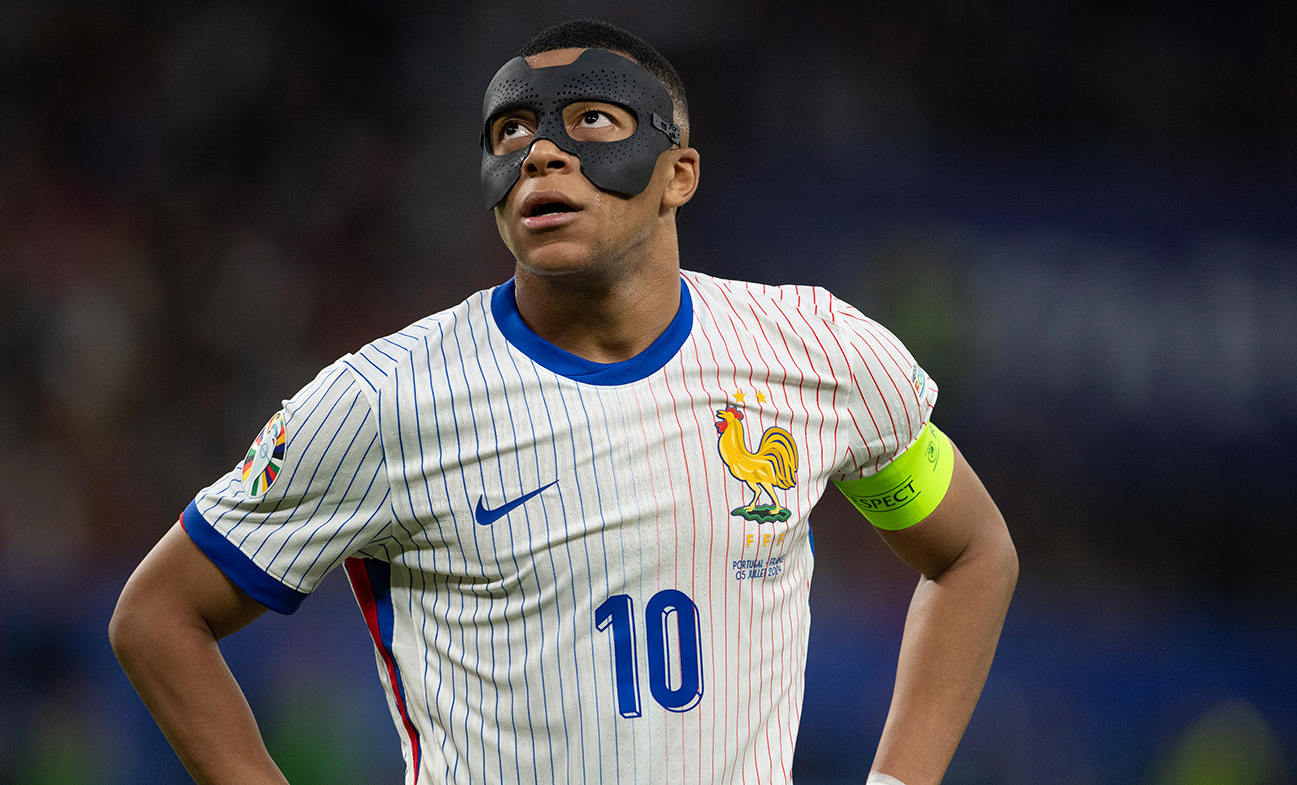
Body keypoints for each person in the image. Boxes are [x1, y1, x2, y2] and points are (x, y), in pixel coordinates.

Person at [109, 18, 1017, 785]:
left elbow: (971, 552)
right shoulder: (384, 401)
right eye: (510, 133)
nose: (541, 150)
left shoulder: (814, 351)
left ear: (679, 174)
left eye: (591, 120)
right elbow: (158, 616)